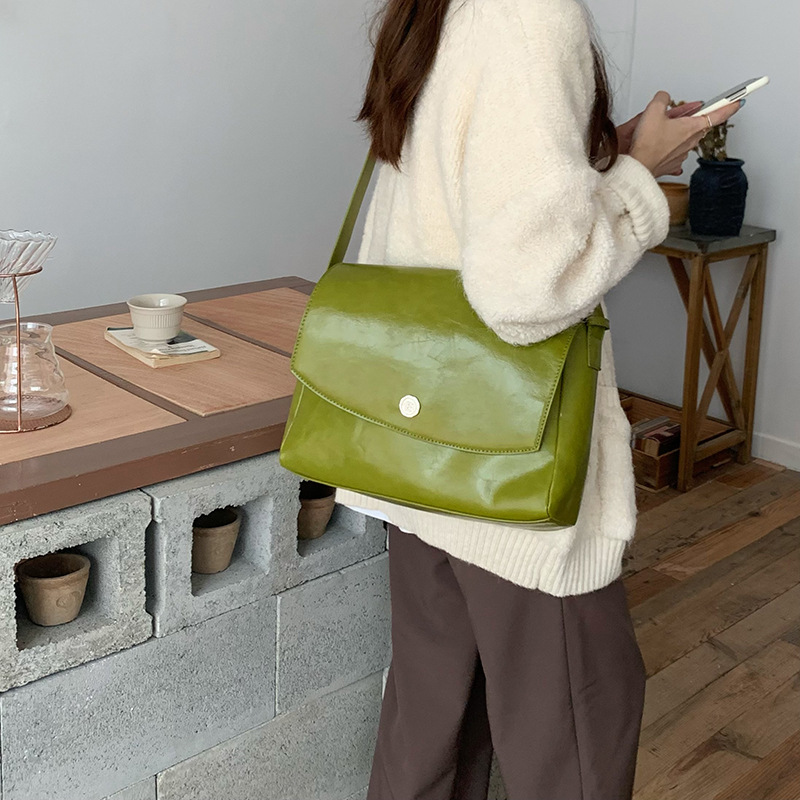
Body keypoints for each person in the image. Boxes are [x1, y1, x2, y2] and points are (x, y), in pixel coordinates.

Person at [337, 0, 741, 797]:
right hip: (512, 473)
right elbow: (527, 290)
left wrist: (603, 150)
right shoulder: (531, 13)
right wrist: (638, 179)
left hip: (421, 451)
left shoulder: (444, 10)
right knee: (577, 740)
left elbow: (465, 190)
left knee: (430, 735)